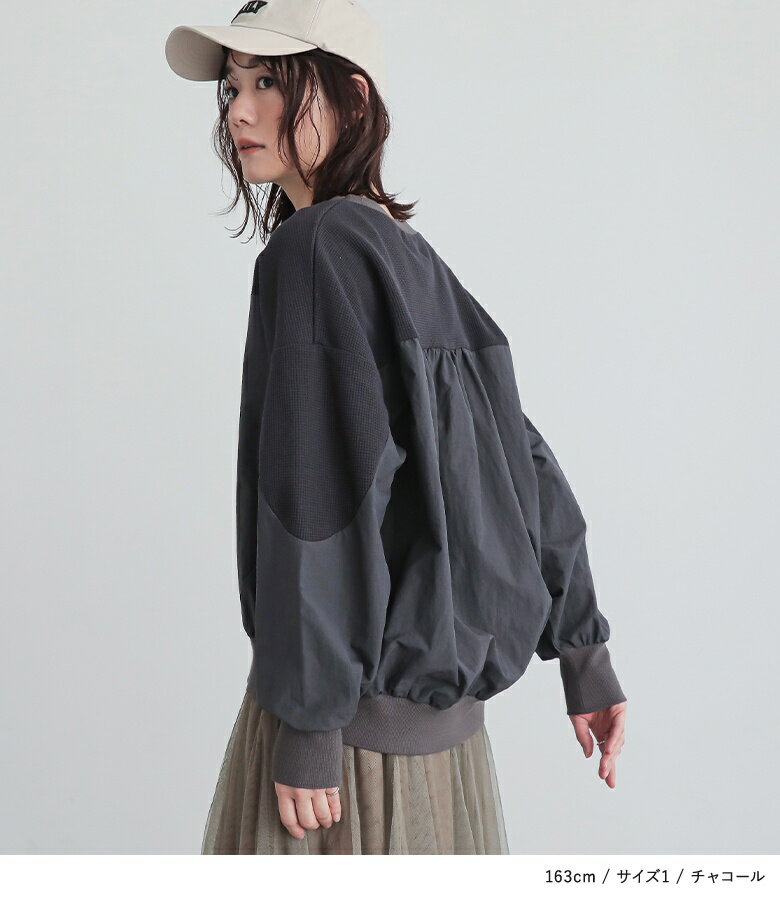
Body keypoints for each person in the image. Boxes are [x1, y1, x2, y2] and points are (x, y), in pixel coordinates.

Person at [165, 0, 627, 855]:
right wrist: (584, 654)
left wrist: (309, 721)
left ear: (352, 96)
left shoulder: (314, 251)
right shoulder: (407, 254)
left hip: (346, 748)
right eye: (231, 87)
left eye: (269, 83)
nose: (237, 111)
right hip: (446, 751)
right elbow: (524, 461)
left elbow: (316, 502)